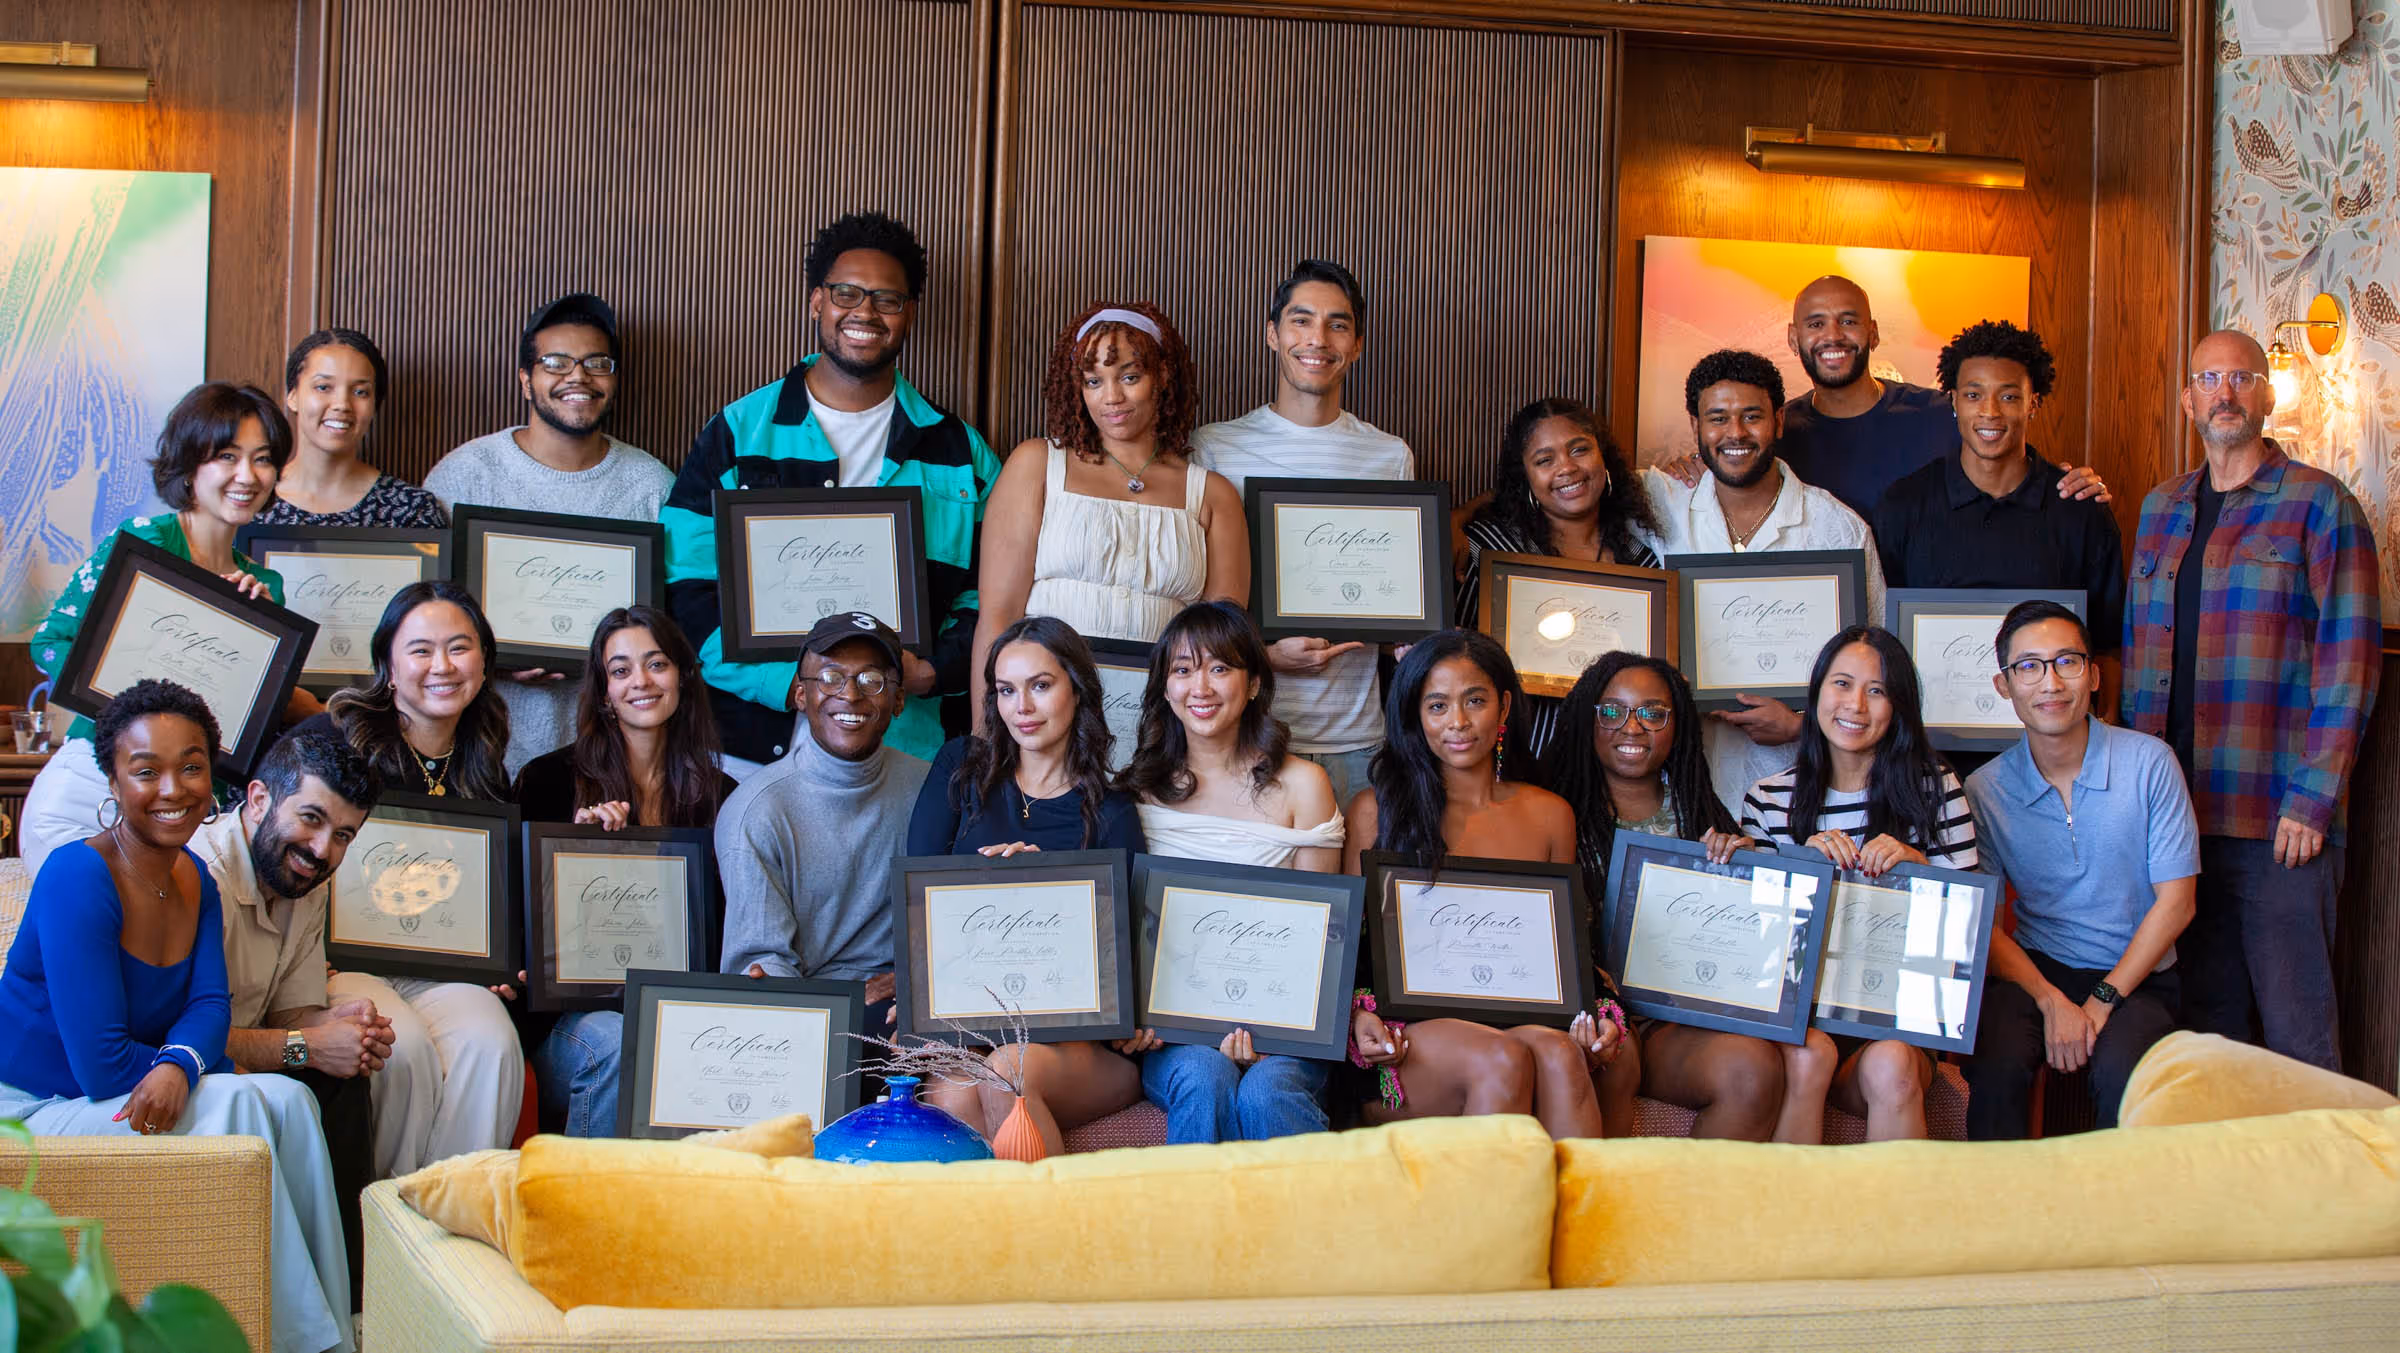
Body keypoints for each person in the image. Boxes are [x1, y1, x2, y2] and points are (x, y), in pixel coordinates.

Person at [0, 682, 352, 1353]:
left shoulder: (196, 875)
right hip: (34, 1108)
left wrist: (183, 1061)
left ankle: (335, 1328)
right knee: (239, 1103)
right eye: (146, 770)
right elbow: (101, 1064)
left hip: (119, 1090)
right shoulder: (79, 875)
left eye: (191, 766)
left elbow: (208, 1006)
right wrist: (189, 1065)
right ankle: (295, 1342)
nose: (173, 788)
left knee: (289, 1101)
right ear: (113, 778)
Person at [2122, 330, 2383, 1072]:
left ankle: (2324, 1186)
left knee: (2298, 1033)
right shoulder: (2159, 508)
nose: (2225, 392)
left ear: (2267, 396)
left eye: (2242, 378)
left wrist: (2314, 799)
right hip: (2175, 825)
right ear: (2188, 401)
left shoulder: (2320, 505)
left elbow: (2352, 661)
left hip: (2278, 822)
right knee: (2206, 1037)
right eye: (2209, 378)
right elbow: (2140, 656)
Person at [664, 212, 999, 769]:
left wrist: (932, 671)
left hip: (907, 749)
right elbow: (687, 587)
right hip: (750, 753)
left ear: (909, 313)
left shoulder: (960, 452)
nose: (864, 311)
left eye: (887, 299)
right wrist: (789, 680)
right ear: (817, 301)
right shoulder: (740, 432)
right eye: (847, 292)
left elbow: (990, 599)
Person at [22, 382, 309, 877]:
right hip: (96, 785)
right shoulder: (140, 545)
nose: (248, 475)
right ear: (190, 464)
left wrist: (256, 634)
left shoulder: (266, 588)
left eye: (263, 459)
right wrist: (129, 704)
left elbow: (247, 728)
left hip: (191, 811)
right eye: (227, 455)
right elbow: (50, 641)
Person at [1342, 631, 1612, 1140]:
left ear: (1504, 706)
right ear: (1414, 716)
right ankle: (1482, 1220)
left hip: (1514, 1017)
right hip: (1407, 1036)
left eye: (1475, 701)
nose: (1458, 723)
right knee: (1501, 1056)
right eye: (1438, 705)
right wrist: (1360, 1014)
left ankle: (1580, 1218)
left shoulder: (1550, 815)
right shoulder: (1375, 811)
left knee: (1558, 1050)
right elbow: (1345, 948)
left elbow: (1565, 949)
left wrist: (1598, 1017)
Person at [307, 582, 526, 1172]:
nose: (443, 666)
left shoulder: (485, 763)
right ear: (388, 664)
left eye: (460, 648)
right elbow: (283, 853)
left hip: (438, 971)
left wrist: (500, 960)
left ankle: (450, 1219)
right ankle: (386, 1227)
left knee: (493, 1042)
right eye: (421, 650)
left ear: (483, 661)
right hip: (341, 962)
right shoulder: (334, 744)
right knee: (395, 1046)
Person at [909, 616, 1149, 1152]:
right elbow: (916, 904)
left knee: (1007, 1073)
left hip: (1075, 1045)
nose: (1022, 707)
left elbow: (1126, 950)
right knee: (949, 1101)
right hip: (969, 1029)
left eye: (1040, 686)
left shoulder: (1111, 809)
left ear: (1077, 690)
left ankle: (1048, 1233)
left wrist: (1048, 884)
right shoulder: (960, 768)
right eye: (1006, 690)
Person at [1738, 626, 1979, 1143]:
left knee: (1892, 1062)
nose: (1857, 705)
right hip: (1797, 1022)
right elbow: (1751, 945)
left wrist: (1918, 868)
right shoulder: (1767, 798)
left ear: (1899, 706)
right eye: (1842, 684)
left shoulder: (1936, 788)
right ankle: (1793, 1217)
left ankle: (1889, 1224)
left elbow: (1967, 942)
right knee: (1810, 1051)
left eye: (1877, 690)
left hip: (1893, 1022)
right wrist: (1802, 867)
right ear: (1817, 693)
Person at [1968, 601, 2198, 1137]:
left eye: (2066, 662)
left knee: (2126, 1074)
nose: (2050, 682)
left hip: (2138, 975)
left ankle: (2113, 1215)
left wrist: (2103, 999)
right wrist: (2050, 999)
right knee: (1995, 1061)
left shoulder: (2150, 763)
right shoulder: (1985, 789)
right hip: (2038, 970)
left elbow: (2177, 902)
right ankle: (1994, 1211)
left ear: (2093, 676)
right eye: (2028, 667)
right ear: (2005, 686)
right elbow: (1984, 918)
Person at [423, 293, 677, 778]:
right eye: (556, 362)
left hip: (609, 767)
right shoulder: (465, 476)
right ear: (526, 380)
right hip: (472, 757)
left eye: (596, 363)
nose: (578, 376)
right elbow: (419, 621)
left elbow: (674, 630)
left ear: (614, 379)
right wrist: (491, 656)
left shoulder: (653, 487)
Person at [1118, 602, 1344, 1146]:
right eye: (1183, 669)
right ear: (1164, 688)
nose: (1201, 686)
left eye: (1220, 668)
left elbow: (1322, 942)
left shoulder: (1304, 785)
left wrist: (1277, 1029)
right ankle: (1197, 1233)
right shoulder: (1135, 792)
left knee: (1268, 1088)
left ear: (1254, 683)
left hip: (1285, 1032)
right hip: (1174, 1035)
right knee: (1201, 1073)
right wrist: (1137, 1017)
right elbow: (1124, 932)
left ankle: (1313, 1232)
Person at [510, 605, 739, 1136]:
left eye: (656, 664)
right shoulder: (548, 782)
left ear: (682, 674)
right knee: (617, 1039)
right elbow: (522, 932)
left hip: (680, 1013)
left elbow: (726, 935)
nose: (641, 681)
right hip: (573, 1025)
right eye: (620, 670)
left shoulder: (724, 799)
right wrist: (579, 849)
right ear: (604, 691)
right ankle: (590, 1215)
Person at [1189, 260, 1411, 805]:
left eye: (1337, 324)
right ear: (1273, 333)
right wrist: (1264, 655)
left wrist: (1410, 629)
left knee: (1353, 891)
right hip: (1242, 733)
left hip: (1359, 738)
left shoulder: (1389, 456)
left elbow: (1400, 591)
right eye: (1301, 320)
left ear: (1357, 343)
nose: (1318, 339)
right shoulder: (1215, 448)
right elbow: (1188, 599)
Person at [972, 301, 1248, 718]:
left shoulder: (1213, 495)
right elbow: (998, 618)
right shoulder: (1037, 465)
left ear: (1163, 376)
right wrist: (985, 738)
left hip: (1160, 725)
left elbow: (1219, 651)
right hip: (1042, 719)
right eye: (1093, 381)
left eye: (1130, 377)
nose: (1112, 397)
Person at [1643, 349, 1886, 818]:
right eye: (1717, 418)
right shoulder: (1661, 505)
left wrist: (1802, 725)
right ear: (1695, 427)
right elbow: (1568, 488)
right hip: (1684, 789)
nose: (1735, 433)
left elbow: (1880, 670)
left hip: (1805, 796)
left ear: (1778, 421)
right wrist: (1461, 521)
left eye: (1751, 416)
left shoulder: (1838, 528)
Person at [1537, 653, 1768, 1141]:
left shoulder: (1699, 808)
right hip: (1589, 1013)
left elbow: (1750, 941)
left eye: (1653, 713)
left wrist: (1748, 871)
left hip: (1674, 1021)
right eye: (1612, 712)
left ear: (1677, 725)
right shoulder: (1553, 812)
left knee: (1753, 1069)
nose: (1632, 727)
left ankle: (1690, 1214)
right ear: (1588, 719)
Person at [194, 727, 387, 1308]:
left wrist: (339, 1024)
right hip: (185, 1068)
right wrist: (308, 1045)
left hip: (246, 1062)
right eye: (310, 818)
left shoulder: (304, 880)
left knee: (346, 1072)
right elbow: (185, 1039)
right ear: (257, 800)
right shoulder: (200, 878)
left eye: (344, 836)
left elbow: (288, 1009)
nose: (323, 850)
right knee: (318, 1072)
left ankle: (354, 1304)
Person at [1653, 278, 2108, 519]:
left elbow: (2015, 474)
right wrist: (1689, 470)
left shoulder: (1940, 414)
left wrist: (2070, 483)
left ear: (1872, 333)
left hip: (1927, 615)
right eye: (1815, 324)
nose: (1833, 336)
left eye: (1849, 321)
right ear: (1794, 339)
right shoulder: (1773, 432)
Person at [1872, 320, 2125, 729]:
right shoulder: (1903, 506)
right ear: (1953, 400)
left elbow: (2109, 642)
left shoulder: (2080, 511)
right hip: (1930, 749)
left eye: (2009, 396)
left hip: (2051, 749)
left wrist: (2107, 726)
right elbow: (1881, 631)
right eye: (1974, 395)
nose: (1990, 412)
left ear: (2034, 402)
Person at [718, 613, 931, 1032]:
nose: (850, 694)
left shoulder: (932, 788)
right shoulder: (758, 810)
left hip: (917, 997)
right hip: (811, 1012)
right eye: (831, 677)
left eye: (872, 680)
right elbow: (762, 966)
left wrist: (916, 980)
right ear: (800, 694)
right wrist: (838, 1010)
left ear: (899, 698)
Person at [1457, 397, 1664, 756]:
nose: (1566, 468)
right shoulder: (1491, 551)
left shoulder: (1643, 564)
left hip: (1615, 765)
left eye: (1579, 449)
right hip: (1515, 763)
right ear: (1526, 476)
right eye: (1544, 460)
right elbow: (1453, 658)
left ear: (1604, 458)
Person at [255, 328, 447, 529]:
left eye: (360, 392)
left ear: (374, 405)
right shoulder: (251, 499)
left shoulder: (412, 510)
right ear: (293, 396)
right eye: (323, 387)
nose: (342, 404)